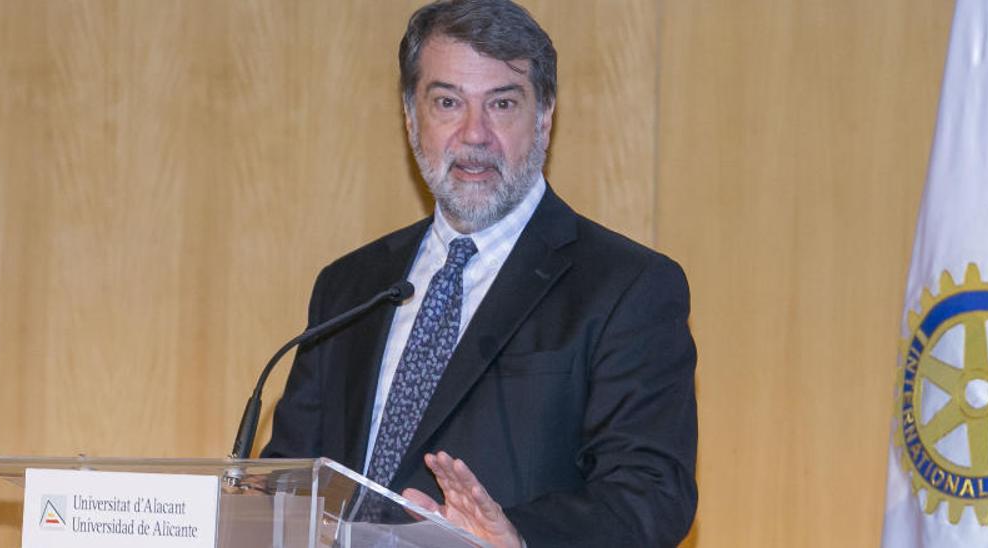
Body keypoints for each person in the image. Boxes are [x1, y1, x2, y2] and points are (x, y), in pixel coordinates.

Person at [262, 1, 697, 546]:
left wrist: (516, 535)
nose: (474, 135)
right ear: (409, 114)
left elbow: (652, 493)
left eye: (502, 104)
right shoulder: (351, 285)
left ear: (544, 117)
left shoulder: (625, 287)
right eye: (447, 102)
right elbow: (291, 475)